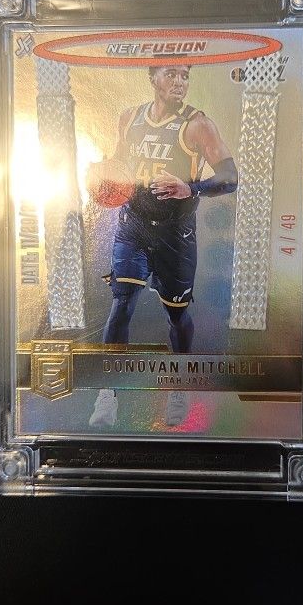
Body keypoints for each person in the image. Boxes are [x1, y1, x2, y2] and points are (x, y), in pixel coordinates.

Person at [90, 63, 238, 427]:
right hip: (134, 227)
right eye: (171, 74)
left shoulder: (197, 124)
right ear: (152, 77)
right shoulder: (129, 118)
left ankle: (180, 384)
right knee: (122, 303)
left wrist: (192, 187)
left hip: (175, 235)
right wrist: (102, 175)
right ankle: (107, 395)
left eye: (185, 75)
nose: (179, 82)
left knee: (176, 314)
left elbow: (230, 177)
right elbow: (121, 165)